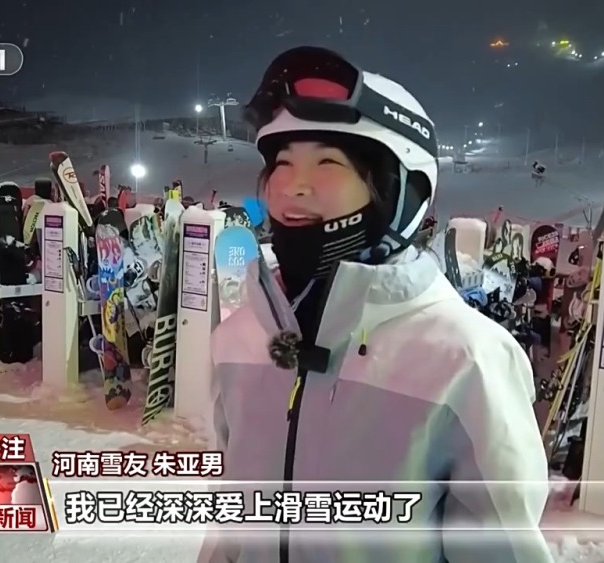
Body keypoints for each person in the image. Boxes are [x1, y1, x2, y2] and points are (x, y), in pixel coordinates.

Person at [201, 46, 552, 563]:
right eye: (282, 163)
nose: (293, 187)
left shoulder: (464, 359)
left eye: (327, 162)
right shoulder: (242, 338)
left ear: (398, 189)